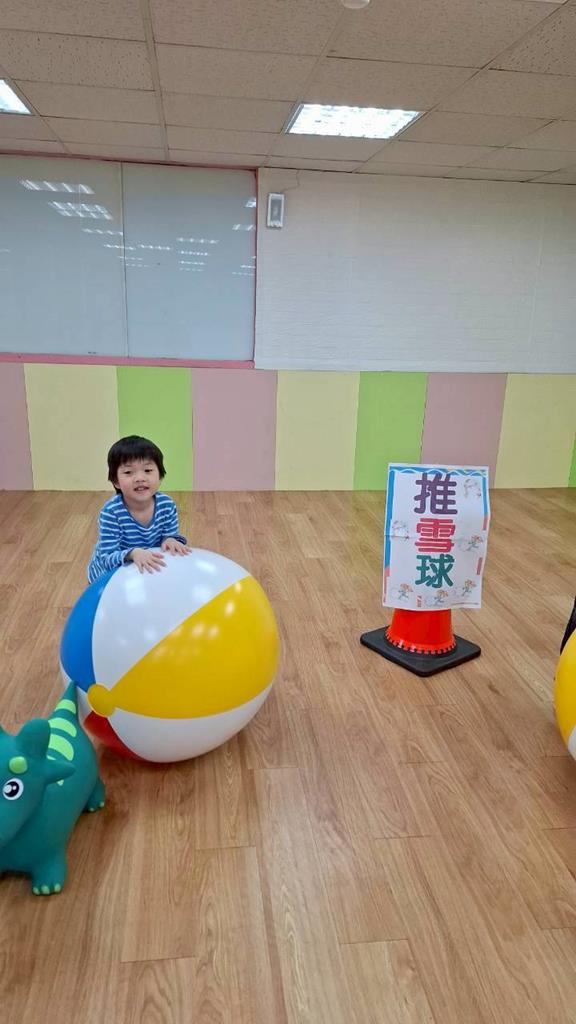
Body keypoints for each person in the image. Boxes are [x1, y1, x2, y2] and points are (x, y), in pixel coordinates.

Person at [87, 435, 189, 584]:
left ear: (160, 476)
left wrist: (171, 540)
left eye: (148, 470)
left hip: (148, 566)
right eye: (128, 472)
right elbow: (107, 558)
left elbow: (170, 535)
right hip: (110, 574)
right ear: (116, 481)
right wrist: (133, 553)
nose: (140, 478)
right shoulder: (111, 513)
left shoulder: (166, 505)